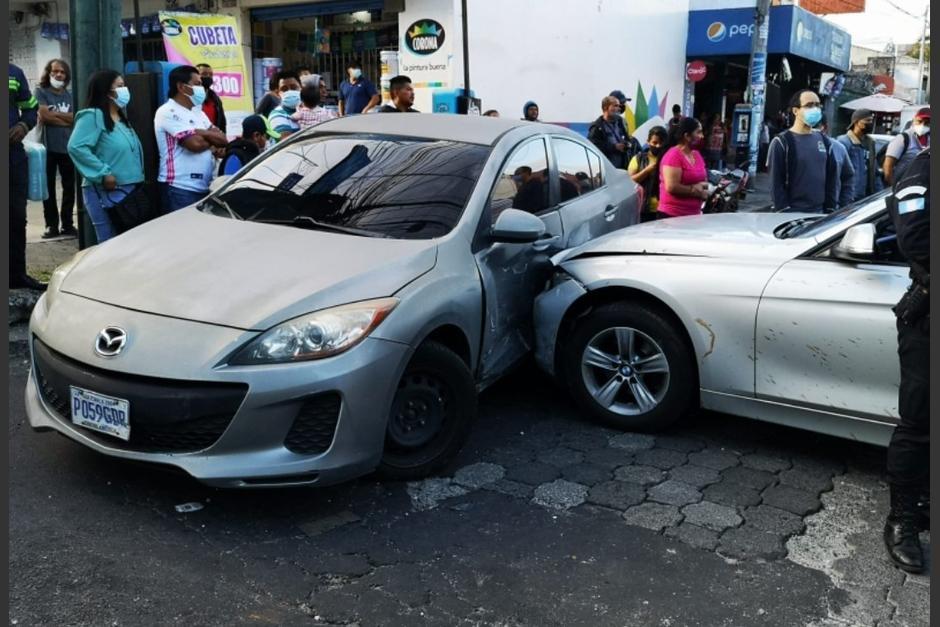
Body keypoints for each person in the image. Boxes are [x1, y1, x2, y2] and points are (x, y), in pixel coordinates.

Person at [883, 147, 930, 574]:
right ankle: (902, 520)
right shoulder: (922, 167)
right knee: (918, 422)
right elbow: (915, 237)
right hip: (928, 316)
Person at [67, 69, 146, 243]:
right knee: (110, 243)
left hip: (130, 189)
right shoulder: (93, 116)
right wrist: (103, 173)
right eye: (120, 86)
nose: (124, 90)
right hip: (108, 190)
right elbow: (76, 147)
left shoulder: (120, 118)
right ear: (106, 91)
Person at [155, 65, 227, 211]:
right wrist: (209, 138)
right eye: (197, 84)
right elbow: (194, 144)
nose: (202, 88)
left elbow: (223, 140)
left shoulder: (198, 112)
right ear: (181, 87)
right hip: (179, 188)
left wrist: (201, 132)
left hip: (204, 187)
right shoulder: (167, 111)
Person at [766, 89, 839, 213]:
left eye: (817, 105)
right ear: (795, 111)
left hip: (819, 214)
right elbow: (775, 183)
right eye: (809, 105)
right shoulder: (782, 142)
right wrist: (784, 212)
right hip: (792, 215)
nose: (815, 109)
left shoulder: (825, 142)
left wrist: (830, 209)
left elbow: (832, 178)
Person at [9, 62, 45, 290]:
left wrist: (23, 125)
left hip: (12, 159)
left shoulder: (13, 72)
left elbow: (31, 109)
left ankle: (16, 276)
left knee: (15, 218)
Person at [35, 58, 76, 239]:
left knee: (69, 187)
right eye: (55, 72)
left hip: (68, 148)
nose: (59, 75)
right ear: (49, 73)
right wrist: (65, 118)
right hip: (47, 148)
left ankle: (67, 224)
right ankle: (51, 225)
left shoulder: (70, 95)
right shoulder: (41, 91)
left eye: (62, 72)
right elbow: (44, 116)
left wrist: (55, 114)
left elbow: (77, 118)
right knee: (48, 188)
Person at [658, 117, 708, 218]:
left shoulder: (696, 155)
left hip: (694, 215)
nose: (702, 136)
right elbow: (672, 187)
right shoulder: (673, 156)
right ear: (687, 136)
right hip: (672, 216)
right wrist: (695, 191)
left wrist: (704, 188)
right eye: (698, 132)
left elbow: (704, 181)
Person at [836, 108, 882, 204]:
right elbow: (838, 172)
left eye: (872, 121)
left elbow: (875, 171)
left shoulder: (870, 142)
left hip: (867, 196)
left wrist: (879, 194)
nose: (871, 123)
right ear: (857, 122)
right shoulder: (844, 142)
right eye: (868, 121)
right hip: (850, 197)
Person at [628, 125, 668, 221]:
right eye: (654, 142)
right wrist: (647, 170)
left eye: (661, 143)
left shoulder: (669, 159)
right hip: (643, 208)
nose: (658, 146)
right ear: (648, 142)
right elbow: (630, 181)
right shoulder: (638, 159)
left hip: (664, 208)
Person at [884, 107, 929, 186]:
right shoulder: (903, 138)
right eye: (919, 121)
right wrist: (892, 188)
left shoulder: (929, 139)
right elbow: (888, 166)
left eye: (927, 123)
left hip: (920, 186)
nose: (922, 125)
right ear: (913, 120)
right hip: (901, 186)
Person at [819, 113, 856, 209]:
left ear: (825, 127)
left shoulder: (838, 148)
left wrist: (844, 205)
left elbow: (848, 177)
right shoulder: (794, 146)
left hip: (831, 210)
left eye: (817, 127)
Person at [588, 95, 630, 169]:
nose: (619, 108)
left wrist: (627, 144)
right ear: (605, 108)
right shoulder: (597, 127)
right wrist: (614, 147)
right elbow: (592, 147)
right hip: (607, 170)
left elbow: (627, 139)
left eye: (619, 106)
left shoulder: (620, 123)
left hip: (622, 170)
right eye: (615, 106)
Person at [266, 71, 302, 138]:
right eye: (284, 89)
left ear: (301, 88)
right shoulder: (277, 115)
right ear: (277, 93)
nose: (290, 91)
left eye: (294, 87)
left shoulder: (311, 109)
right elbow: (288, 143)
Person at [196, 63, 227, 135]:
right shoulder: (190, 97)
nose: (208, 77)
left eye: (211, 74)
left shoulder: (215, 98)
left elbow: (222, 122)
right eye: (204, 74)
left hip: (214, 140)